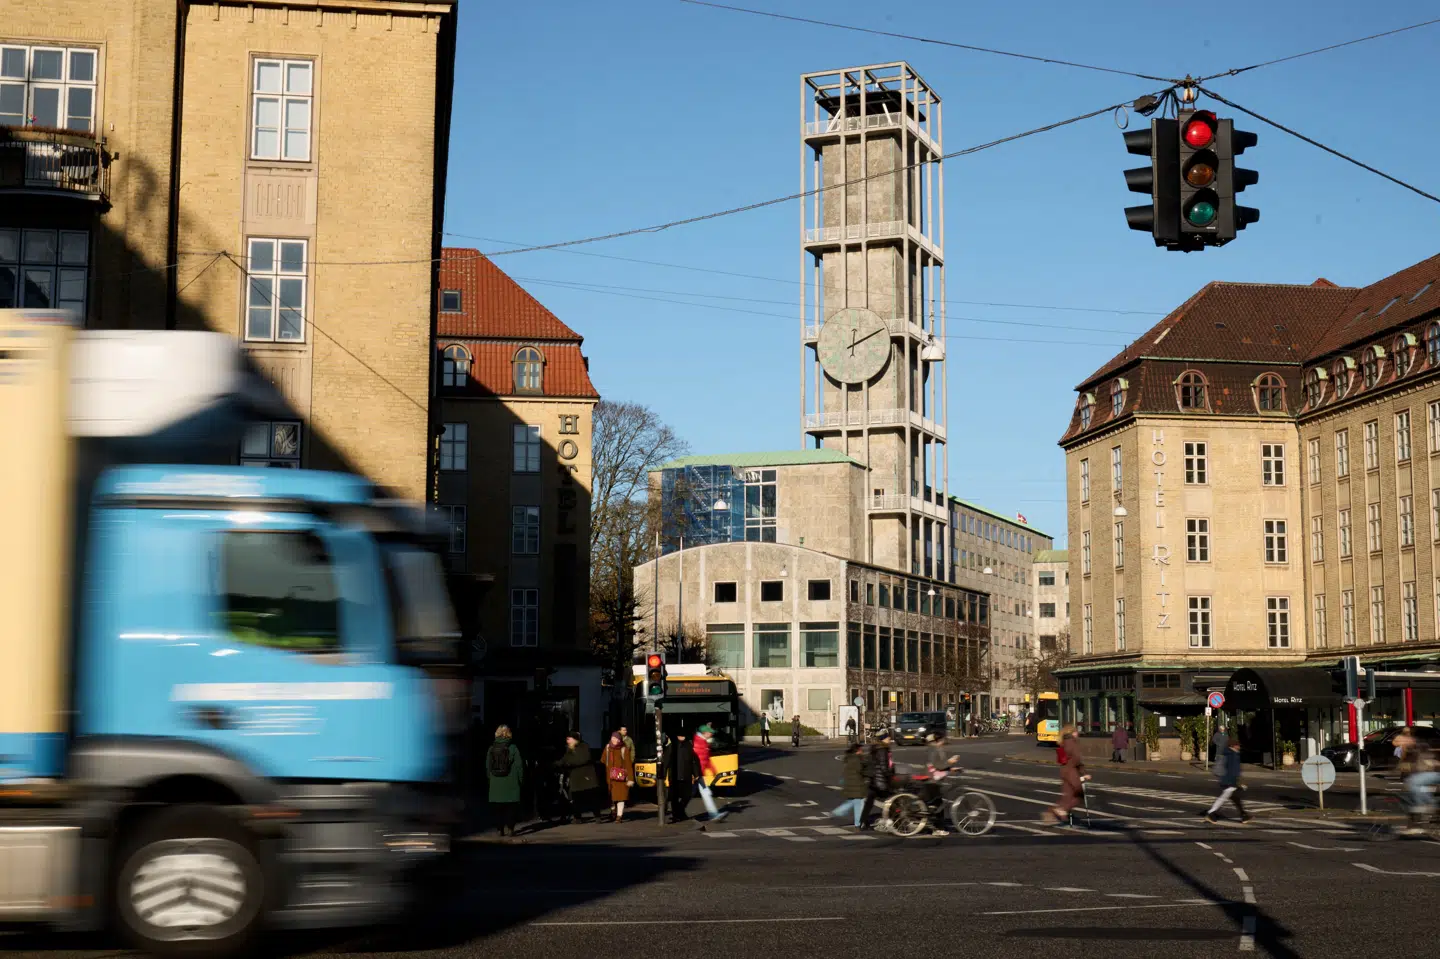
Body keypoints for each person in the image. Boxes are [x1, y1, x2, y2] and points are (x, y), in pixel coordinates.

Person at [555, 732, 602, 823]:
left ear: (575, 739)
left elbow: (583, 759)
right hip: (576, 777)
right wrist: (555, 764)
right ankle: (577, 817)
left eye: (569, 739)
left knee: (592, 797)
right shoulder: (569, 749)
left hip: (587, 776)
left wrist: (569, 763)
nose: (567, 741)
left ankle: (597, 816)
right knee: (576, 798)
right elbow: (564, 760)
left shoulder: (584, 747)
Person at [486, 725, 523, 838]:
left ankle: (499, 829)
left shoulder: (491, 748)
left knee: (498, 809)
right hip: (511, 783)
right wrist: (520, 780)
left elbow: (488, 766)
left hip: (496, 782)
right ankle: (510, 829)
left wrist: (490, 779)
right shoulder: (513, 748)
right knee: (511, 808)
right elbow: (519, 766)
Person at [1047, 730, 1090, 825]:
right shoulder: (1073, 742)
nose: (1077, 733)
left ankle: (1056, 812)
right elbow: (1077, 759)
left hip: (1064, 771)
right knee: (1079, 794)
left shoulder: (1064, 742)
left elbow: (1062, 758)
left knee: (1068, 796)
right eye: (1076, 731)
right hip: (1072, 772)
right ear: (1073, 733)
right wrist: (1084, 773)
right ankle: (1061, 810)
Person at [1206, 737, 1252, 824]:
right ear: (1234, 746)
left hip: (1228, 780)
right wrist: (1236, 782)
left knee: (1236, 799)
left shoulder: (1229, 753)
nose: (1239, 747)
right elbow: (1233, 770)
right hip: (1229, 781)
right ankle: (1210, 813)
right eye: (1238, 745)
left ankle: (1244, 815)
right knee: (1223, 798)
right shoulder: (1232, 755)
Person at [692, 724, 729, 827]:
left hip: (699, 773)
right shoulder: (697, 741)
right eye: (710, 732)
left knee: (705, 792)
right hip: (694, 773)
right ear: (705, 733)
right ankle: (677, 811)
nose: (711, 734)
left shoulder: (703, 742)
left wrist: (712, 769)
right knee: (689, 793)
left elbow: (706, 759)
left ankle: (713, 814)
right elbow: (694, 759)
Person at [924, 732, 958, 836]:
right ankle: (937, 828)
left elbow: (939, 765)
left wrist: (951, 768)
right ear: (938, 741)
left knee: (937, 804)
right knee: (937, 805)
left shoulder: (934, 749)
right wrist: (950, 762)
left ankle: (939, 826)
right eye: (942, 740)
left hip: (933, 779)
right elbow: (938, 765)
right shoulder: (935, 750)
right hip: (933, 780)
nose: (944, 742)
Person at [859, 729, 894, 829]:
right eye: (888, 737)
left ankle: (862, 822)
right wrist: (890, 775)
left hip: (873, 780)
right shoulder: (883, 749)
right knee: (892, 800)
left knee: (869, 803)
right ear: (883, 739)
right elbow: (884, 767)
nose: (889, 738)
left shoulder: (874, 748)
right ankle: (890, 821)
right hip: (881, 781)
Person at [829, 742, 869, 827]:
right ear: (858, 750)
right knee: (858, 802)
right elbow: (861, 771)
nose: (862, 751)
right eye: (861, 750)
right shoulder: (857, 759)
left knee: (853, 802)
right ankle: (858, 822)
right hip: (857, 784)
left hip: (850, 783)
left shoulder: (849, 758)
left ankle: (837, 812)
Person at [1404, 738, 1440, 825]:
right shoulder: (1419, 753)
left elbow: (1431, 763)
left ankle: (1428, 804)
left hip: (1435, 774)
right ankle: (1425, 805)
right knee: (1414, 784)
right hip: (1432, 774)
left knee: (1413, 783)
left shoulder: (1425, 753)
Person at [601, 730, 635, 823]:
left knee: (620, 797)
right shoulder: (608, 748)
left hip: (621, 778)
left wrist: (630, 779)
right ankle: (613, 812)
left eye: (616, 738)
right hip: (610, 778)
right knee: (611, 797)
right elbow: (603, 760)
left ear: (619, 740)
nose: (613, 740)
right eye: (612, 738)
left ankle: (619, 816)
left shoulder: (624, 749)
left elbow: (628, 765)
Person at [666, 730, 698, 822]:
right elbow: (666, 761)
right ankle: (677, 815)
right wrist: (663, 774)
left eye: (683, 735)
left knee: (687, 795)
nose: (682, 737)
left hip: (686, 775)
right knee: (674, 797)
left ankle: (679, 811)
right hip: (675, 776)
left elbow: (693, 761)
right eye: (680, 735)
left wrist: (695, 774)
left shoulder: (689, 747)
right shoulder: (671, 747)